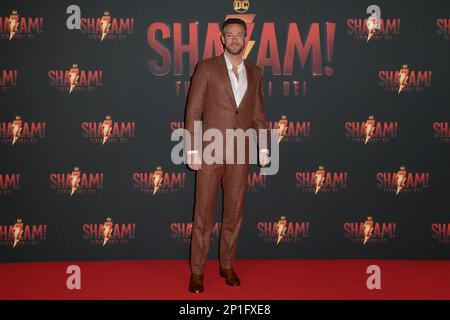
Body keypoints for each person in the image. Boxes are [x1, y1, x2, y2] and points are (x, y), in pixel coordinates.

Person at [184, 18, 270, 294]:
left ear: (246, 38)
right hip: (210, 151)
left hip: (241, 153)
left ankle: (227, 264)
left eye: (240, 35)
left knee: (234, 213)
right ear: (221, 38)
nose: (235, 40)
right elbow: (194, 111)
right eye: (230, 35)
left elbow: (258, 114)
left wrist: (265, 149)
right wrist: (193, 149)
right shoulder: (206, 67)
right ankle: (197, 270)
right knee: (204, 215)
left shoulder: (255, 72)